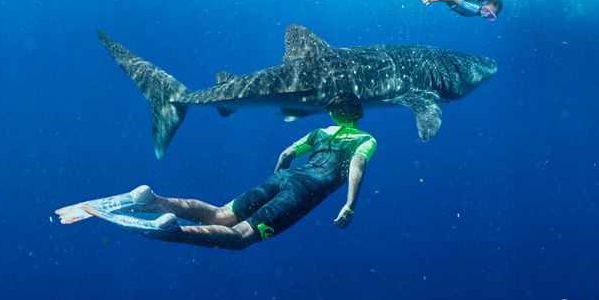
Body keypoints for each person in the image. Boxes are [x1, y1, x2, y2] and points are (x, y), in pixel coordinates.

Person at [58, 92, 376, 250]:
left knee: (221, 214)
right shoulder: (365, 140)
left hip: (283, 179)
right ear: (359, 114)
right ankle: (174, 231)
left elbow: (286, 154)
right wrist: (349, 204)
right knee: (239, 238)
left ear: (334, 112)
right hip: (303, 190)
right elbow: (356, 167)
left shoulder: (319, 132)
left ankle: (152, 200)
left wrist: (278, 181)